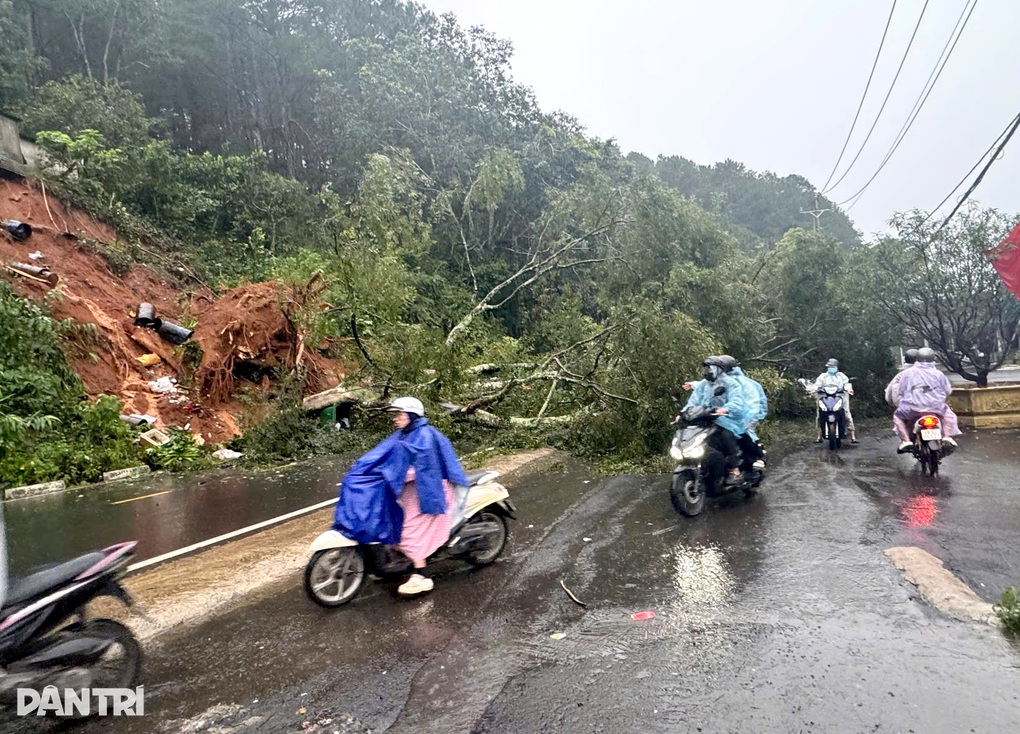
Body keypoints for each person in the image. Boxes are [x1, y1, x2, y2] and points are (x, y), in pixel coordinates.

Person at [333, 396, 468, 597]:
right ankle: (398, 562)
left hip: (429, 491)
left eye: (399, 414)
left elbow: (425, 469)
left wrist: (391, 475)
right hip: (410, 490)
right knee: (392, 519)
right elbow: (381, 457)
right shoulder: (404, 434)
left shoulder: (424, 436)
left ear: (411, 415)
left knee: (409, 532)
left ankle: (420, 575)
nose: (395, 419)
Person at [679, 356, 748, 484]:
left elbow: (737, 402)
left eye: (709, 368)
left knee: (726, 436)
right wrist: (683, 413)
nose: (707, 371)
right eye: (705, 368)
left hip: (727, 420)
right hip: (705, 420)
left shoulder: (731, 384)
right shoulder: (703, 385)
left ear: (718, 369)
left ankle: (734, 469)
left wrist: (726, 409)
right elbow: (693, 401)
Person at [893, 348, 960, 453]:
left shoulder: (907, 373)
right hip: (936, 409)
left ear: (917, 358)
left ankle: (906, 441)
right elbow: (947, 391)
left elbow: (901, 390)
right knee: (948, 415)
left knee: (897, 417)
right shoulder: (939, 374)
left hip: (912, 409)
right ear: (933, 359)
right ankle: (947, 436)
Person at [812, 358, 857, 443]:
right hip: (825, 398)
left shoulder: (841, 376)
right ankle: (819, 436)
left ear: (836, 367)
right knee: (820, 415)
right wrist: (814, 388)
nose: (830, 368)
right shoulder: (823, 376)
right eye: (829, 367)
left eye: (832, 367)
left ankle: (852, 436)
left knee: (847, 414)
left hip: (840, 397)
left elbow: (847, 383)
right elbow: (817, 384)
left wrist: (848, 389)